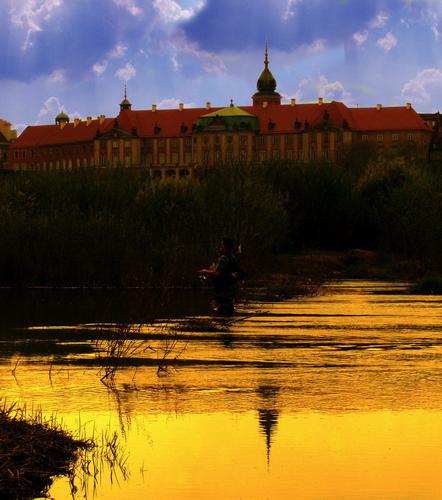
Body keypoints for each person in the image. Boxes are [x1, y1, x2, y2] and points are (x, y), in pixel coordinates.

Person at [198, 237, 242, 315]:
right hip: (229, 290)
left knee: (222, 310)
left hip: (223, 291)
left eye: (221, 245)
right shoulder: (232, 257)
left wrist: (205, 271)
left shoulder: (224, 258)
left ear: (225, 246)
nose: (220, 247)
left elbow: (218, 273)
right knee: (227, 309)